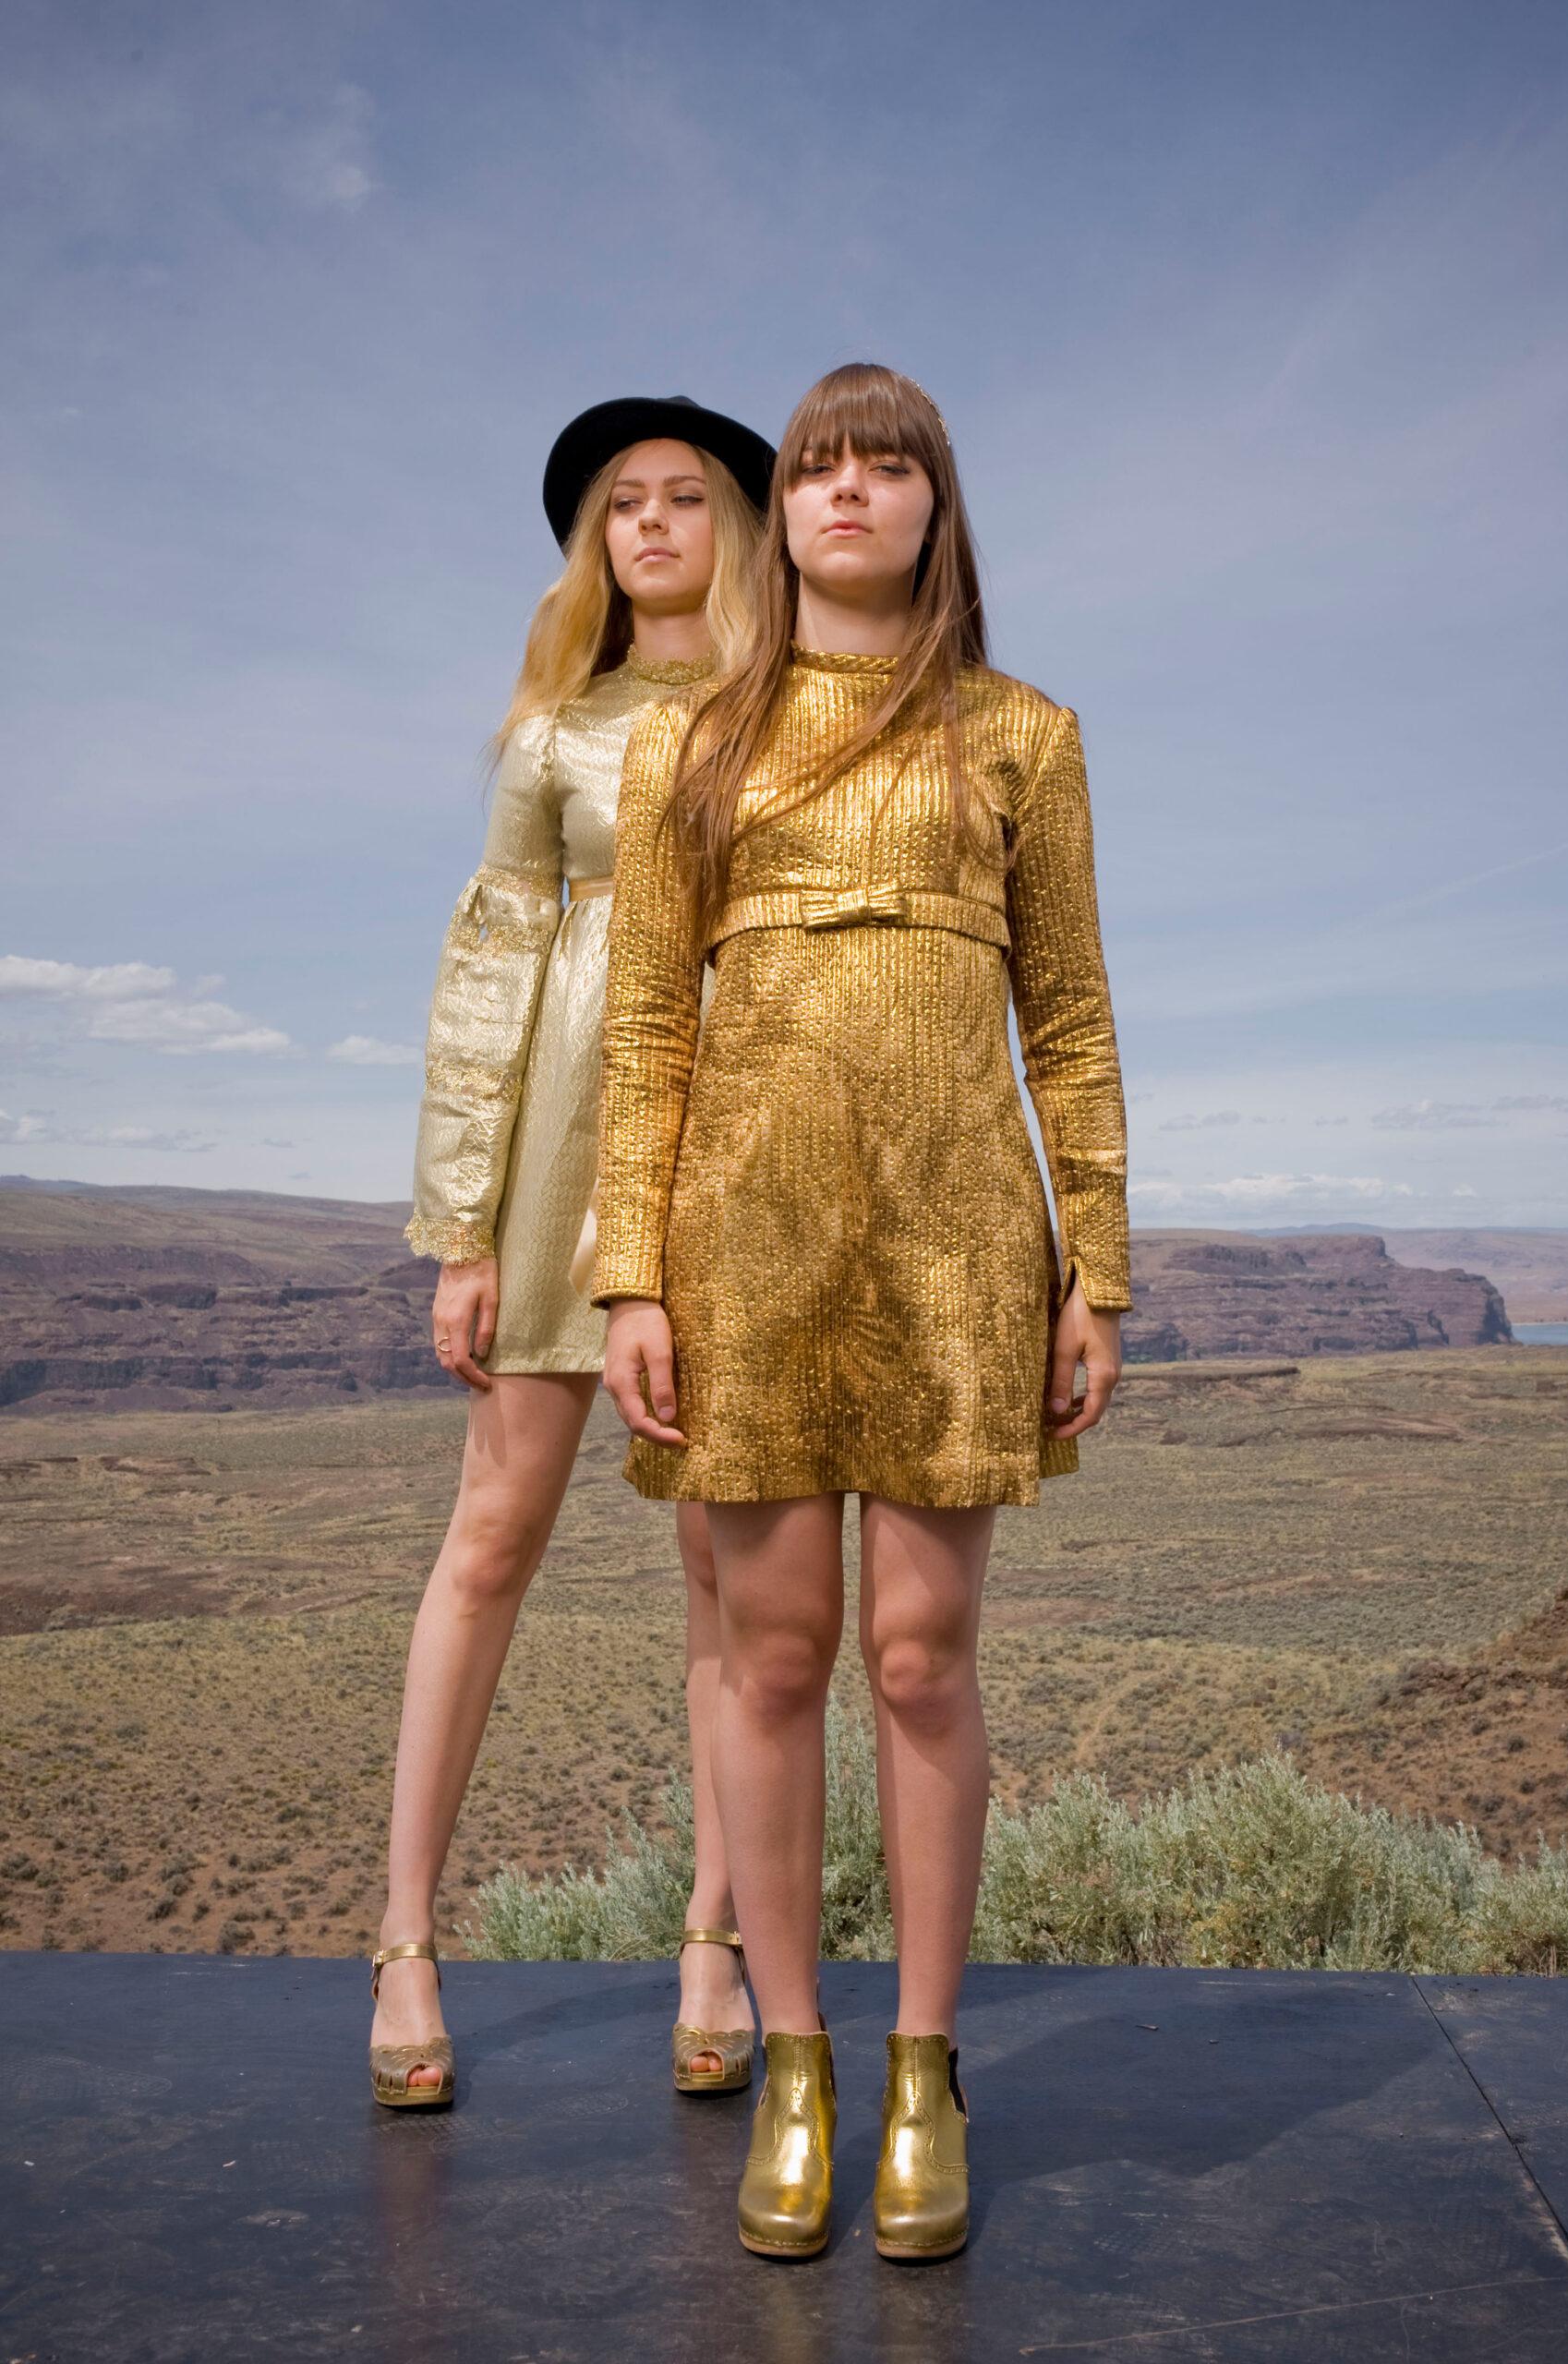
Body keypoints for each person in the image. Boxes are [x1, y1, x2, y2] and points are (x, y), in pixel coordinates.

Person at [592, 363, 1129, 2259]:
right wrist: (629, 1269)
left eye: (884, 461)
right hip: (743, 1235)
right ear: (787, 508)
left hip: (958, 1233)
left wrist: (1103, 1259)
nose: (845, 487)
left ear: (934, 506)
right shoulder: (696, 746)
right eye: (818, 460)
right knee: (771, 1652)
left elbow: (1064, 1016)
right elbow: (651, 1024)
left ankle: (923, 2066)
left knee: (917, 1652)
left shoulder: (1024, 736)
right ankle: (793, 2060)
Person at [369, 396, 776, 2110]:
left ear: (738, 531)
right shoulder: (553, 735)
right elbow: (491, 983)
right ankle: (402, 1934)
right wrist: (464, 1223)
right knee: (492, 1533)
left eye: (690, 500)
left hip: (746, 1156)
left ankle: (716, 1933)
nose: (658, 525)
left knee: (721, 1571)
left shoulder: (797, 720)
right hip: (558, 1151)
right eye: (627, 506)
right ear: (594, 543)